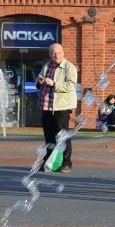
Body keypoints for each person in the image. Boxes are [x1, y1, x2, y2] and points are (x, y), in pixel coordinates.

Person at [36, 43, 77, 173]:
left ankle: (66, 163)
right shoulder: (46, 66)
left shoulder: (69, 67)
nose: (57, 55)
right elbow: (39, 82)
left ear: (63, 53)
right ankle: (49, 161)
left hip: (61, 107)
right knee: (49, 137)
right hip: (46, 106)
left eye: (59, 53)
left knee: (63, 136)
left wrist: (54, 83)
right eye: (54, 53)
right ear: (50, 54)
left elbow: (71, 86)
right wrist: (39, 82)